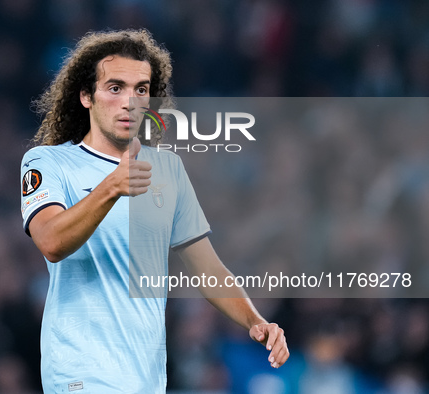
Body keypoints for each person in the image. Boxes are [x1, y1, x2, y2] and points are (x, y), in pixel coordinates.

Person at [20, 29, 289, 393]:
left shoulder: (167, 170)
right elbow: (51, 241)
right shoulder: (49, 162)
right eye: (115, 88)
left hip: (147, 379)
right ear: (86, 96)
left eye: (141, 89)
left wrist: (255, 321)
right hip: (80, 372)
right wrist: (112, 186)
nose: (130, 101)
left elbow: (207, 269)